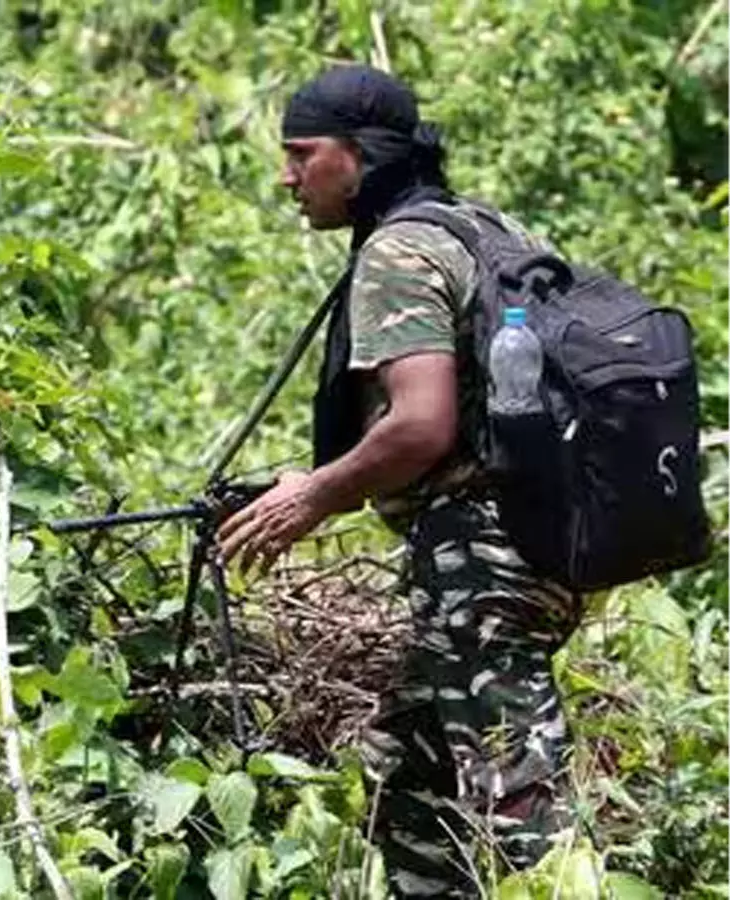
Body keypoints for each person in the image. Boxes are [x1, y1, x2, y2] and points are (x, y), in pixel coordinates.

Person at [213, 65, 581, 896]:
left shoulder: (399, 250)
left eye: (302, 153)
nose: (287, 176)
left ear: (362, 155)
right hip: (539, 542)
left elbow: (422, 426)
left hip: (481, 563)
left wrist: (312, 497)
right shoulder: (488, 229)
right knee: (407, 781)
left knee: (521, 802)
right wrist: (314, 475)